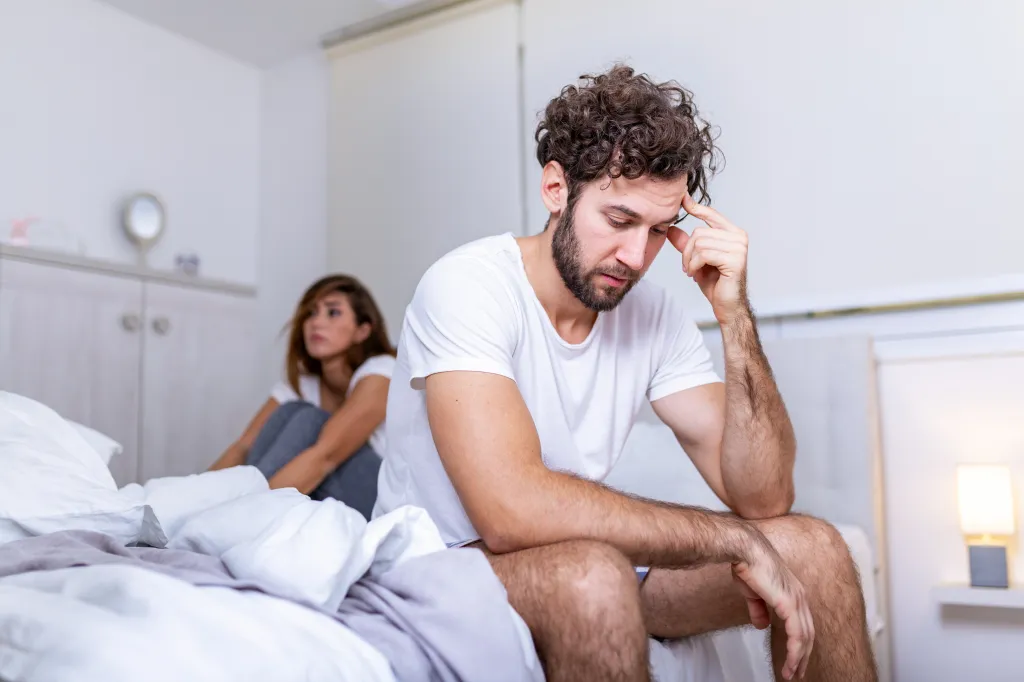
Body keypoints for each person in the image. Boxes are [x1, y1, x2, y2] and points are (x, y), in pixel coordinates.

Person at [373, 65, 877, 682]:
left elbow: (764, 497)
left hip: (588, 557)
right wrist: (732, 541)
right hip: (441, 565)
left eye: (659, 230)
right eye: (618, 221)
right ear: (556, 189)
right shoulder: (468, 285)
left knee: (817, 550)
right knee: (592, 574)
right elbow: (510, 511)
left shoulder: (654, 316)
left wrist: (733, 315)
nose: (637, 258)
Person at [210, 275, 395, 520]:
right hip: (322, 493)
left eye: (333, 313)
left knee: (311, 420)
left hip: (383, 501)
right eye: (311, 313)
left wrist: (247, 515)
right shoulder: (303, 385)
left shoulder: (383, 370)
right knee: (290, 410)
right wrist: (199, 498)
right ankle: (216, 515)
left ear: (362, 331)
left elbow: (325, 456)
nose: (316, 322)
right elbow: (243, 447)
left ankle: (239, 519)